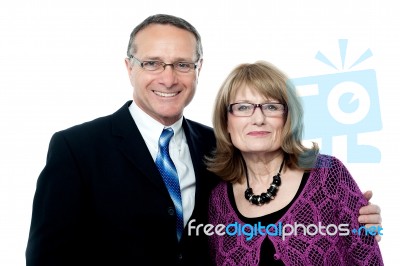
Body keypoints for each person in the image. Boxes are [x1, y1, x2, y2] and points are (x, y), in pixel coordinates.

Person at [25, 14, 382, 266]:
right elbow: (46, 257)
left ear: (198, 69)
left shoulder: (219, 147)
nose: (168, 78)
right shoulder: (77, 148)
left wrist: (360, 223)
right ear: (129, 67)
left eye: (182, 64)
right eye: (152, 63)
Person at [206, 61, 384, 265]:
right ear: (226, 122)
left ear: (288, 118)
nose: (258, 118)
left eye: (271, 106)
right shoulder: (217, 199)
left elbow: (369, 257)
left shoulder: (328, 174)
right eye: (243, 107)